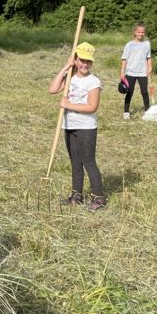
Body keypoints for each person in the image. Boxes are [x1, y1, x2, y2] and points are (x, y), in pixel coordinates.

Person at [49, 42, 107, 210]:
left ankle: (99, 198)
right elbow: (53, 89)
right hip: (69, 125)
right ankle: (77, 195)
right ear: (75, 60)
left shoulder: (93, 81)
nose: (85, 64)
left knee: (88, 161)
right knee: (75, 161)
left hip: (86, 127)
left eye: (88, 61)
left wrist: (68, 104)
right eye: (82, 60)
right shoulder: (70, 77)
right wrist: (66, 67)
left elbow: (92, 106)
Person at [120, 22, 152, 119]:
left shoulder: (147, 44)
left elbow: (149, 58)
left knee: (144, 92)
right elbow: (124, 59)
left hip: (142, 72)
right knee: (130, 91)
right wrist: (122, 72)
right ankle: (126, 112)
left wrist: (150, 68)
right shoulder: (129, 45)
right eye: (139, 32)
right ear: (135, 32)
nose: (141, 34)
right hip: (130, 72)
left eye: (143, 32)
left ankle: (147, 112)